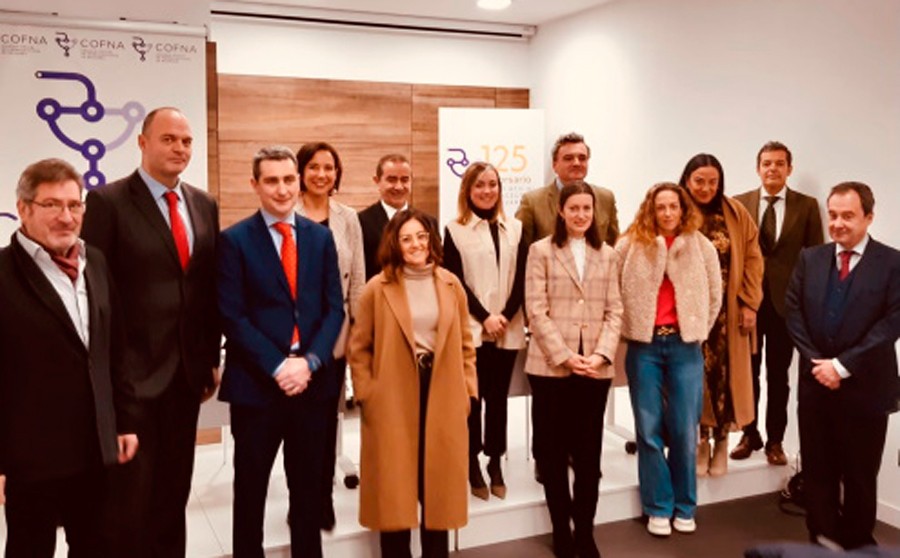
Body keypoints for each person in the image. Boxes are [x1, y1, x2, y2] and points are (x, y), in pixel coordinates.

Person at [82, 106, 221, 557]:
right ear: (142, 143)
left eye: (186, 141)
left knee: (173, 495)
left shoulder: (203, 204)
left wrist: (210, 358)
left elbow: (205, 289)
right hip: (131, 381)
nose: (179, 148)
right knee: (128, 503)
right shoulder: (108, 202)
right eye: (168, 139)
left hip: (185, 378)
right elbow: (96, 296)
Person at [0, 159, 138, 557]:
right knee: (30, 549)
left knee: (99, 545)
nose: (66, 216)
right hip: (31, 457)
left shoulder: (95, 262)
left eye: (74, 205)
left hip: (95, 446)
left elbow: (114, 350)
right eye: (52, 205)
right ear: (23, 208)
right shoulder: (2, 273)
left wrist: (124, 421)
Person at [217, 146, 344, 557]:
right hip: (257, 388)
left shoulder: (320, 237)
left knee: (308, 491)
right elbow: (232, 316)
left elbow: (334, 309)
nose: (282, 188)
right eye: (271, 180)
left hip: (312, 385)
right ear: (255, 184)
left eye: (289, 179)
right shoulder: (234, 241)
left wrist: (310, 362)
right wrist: (277, 366)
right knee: (250, 491)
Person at [348, 208, 477, 558]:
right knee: (395, 488)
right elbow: (358, 348)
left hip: (442, 391)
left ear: (431, 240)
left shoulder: (451, 285)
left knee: (438, 489)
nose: (416, 244)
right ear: (395, 243)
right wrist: (368, 393)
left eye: (421, 236)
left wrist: (468, 391)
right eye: (406, 238)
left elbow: (466, 344)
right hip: (392, 394)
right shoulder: (377, 288)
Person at [785, 181, 900, 550]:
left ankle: (857, 545)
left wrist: (842, 365)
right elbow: (793, 312)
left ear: (869, 217)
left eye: (847, 216)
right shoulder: (810, 258)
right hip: (816, 384)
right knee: (818, 470)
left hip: (866, 389)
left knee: (860, 475)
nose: (837, 223)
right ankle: (822, 542)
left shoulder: (892, 263)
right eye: (833, 215)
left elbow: (892, 322)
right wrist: (819, 364)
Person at [615, 183, 722, 537]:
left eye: (673, 206)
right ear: (651, 209)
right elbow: (613, 289)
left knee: (684, 429)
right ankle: (658, 506)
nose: (667, 213)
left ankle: (685, 505)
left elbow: (715, 294)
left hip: (684, 347)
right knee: (648, 430)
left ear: (683, 209)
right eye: (660, 207)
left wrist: (698, 329)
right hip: (644, 347)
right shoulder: (630, 245)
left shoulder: (701, 246)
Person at [524, 181, 623, 558]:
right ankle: (560, 532)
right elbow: (536, 310)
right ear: (561, 212)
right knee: (552, 455)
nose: (581, 215)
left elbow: (615, 310)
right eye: (574, 208)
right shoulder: (540, 251)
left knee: (588, 455)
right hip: (551, 367)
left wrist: (601, 354)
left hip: (593, 369)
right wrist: (565, 355)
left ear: (594, 212)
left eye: (587, 208)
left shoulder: (608, 254)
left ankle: (584, 530)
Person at [732, 142, 823, 465]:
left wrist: (808, 305)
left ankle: (775, 441)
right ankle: (749, 434)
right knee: (748, 373)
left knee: (779, 376)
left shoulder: (807, 206)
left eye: (779, 163)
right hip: (749, 304)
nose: (773, 168)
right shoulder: (739, 204)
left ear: (789, 169)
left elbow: (816, 258)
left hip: (786, 306)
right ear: (758, 168)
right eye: (767, 163)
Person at [443, 162, 527, 500]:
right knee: (472, 399)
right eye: (479, 185)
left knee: (498, 399)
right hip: (472, 330)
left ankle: (495, 461)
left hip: (507, 327)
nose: (487, 191)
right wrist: (485, 317)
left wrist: (504, 316)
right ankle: (471, 461)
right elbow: (454, 280)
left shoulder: (516, 228)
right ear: (468, 190)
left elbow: (522, 278)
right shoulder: (454, 230)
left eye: (492, 184)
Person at [677, 153, 763, 477]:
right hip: (687, 314)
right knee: (693, 378)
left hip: (727, 315)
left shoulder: (736, 213)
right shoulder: (675, 209)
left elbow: (753, 259)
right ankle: (700, 441)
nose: (706, 188)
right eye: (699, 181)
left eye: (713, 182)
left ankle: (723, 441)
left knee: (724, 379)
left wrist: (749, 302)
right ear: (687, 180)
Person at [294, 141, 366, 530]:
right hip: (293, 337)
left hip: (335, 334)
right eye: (314, 167)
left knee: (325, 421)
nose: (322, 174)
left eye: (329, 168)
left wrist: (357, 332)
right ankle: (299, 499)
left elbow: (357, 280)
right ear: (301, 171)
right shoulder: (286, 211)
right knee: (297, 425)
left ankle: (323, 497)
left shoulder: (347, 217)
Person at [516, 132, 619, 247]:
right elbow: (521, 250)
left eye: (582, 158)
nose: (576, 163)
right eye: (568, 158)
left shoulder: (606, 198)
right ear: (554, 165)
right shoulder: (532, 202)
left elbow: (614, 247)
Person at [359, 154, 436, 281]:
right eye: (392, 180)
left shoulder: (429, 223)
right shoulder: (360, 222)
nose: (399, 186)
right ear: (377, 181)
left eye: (405, 180)